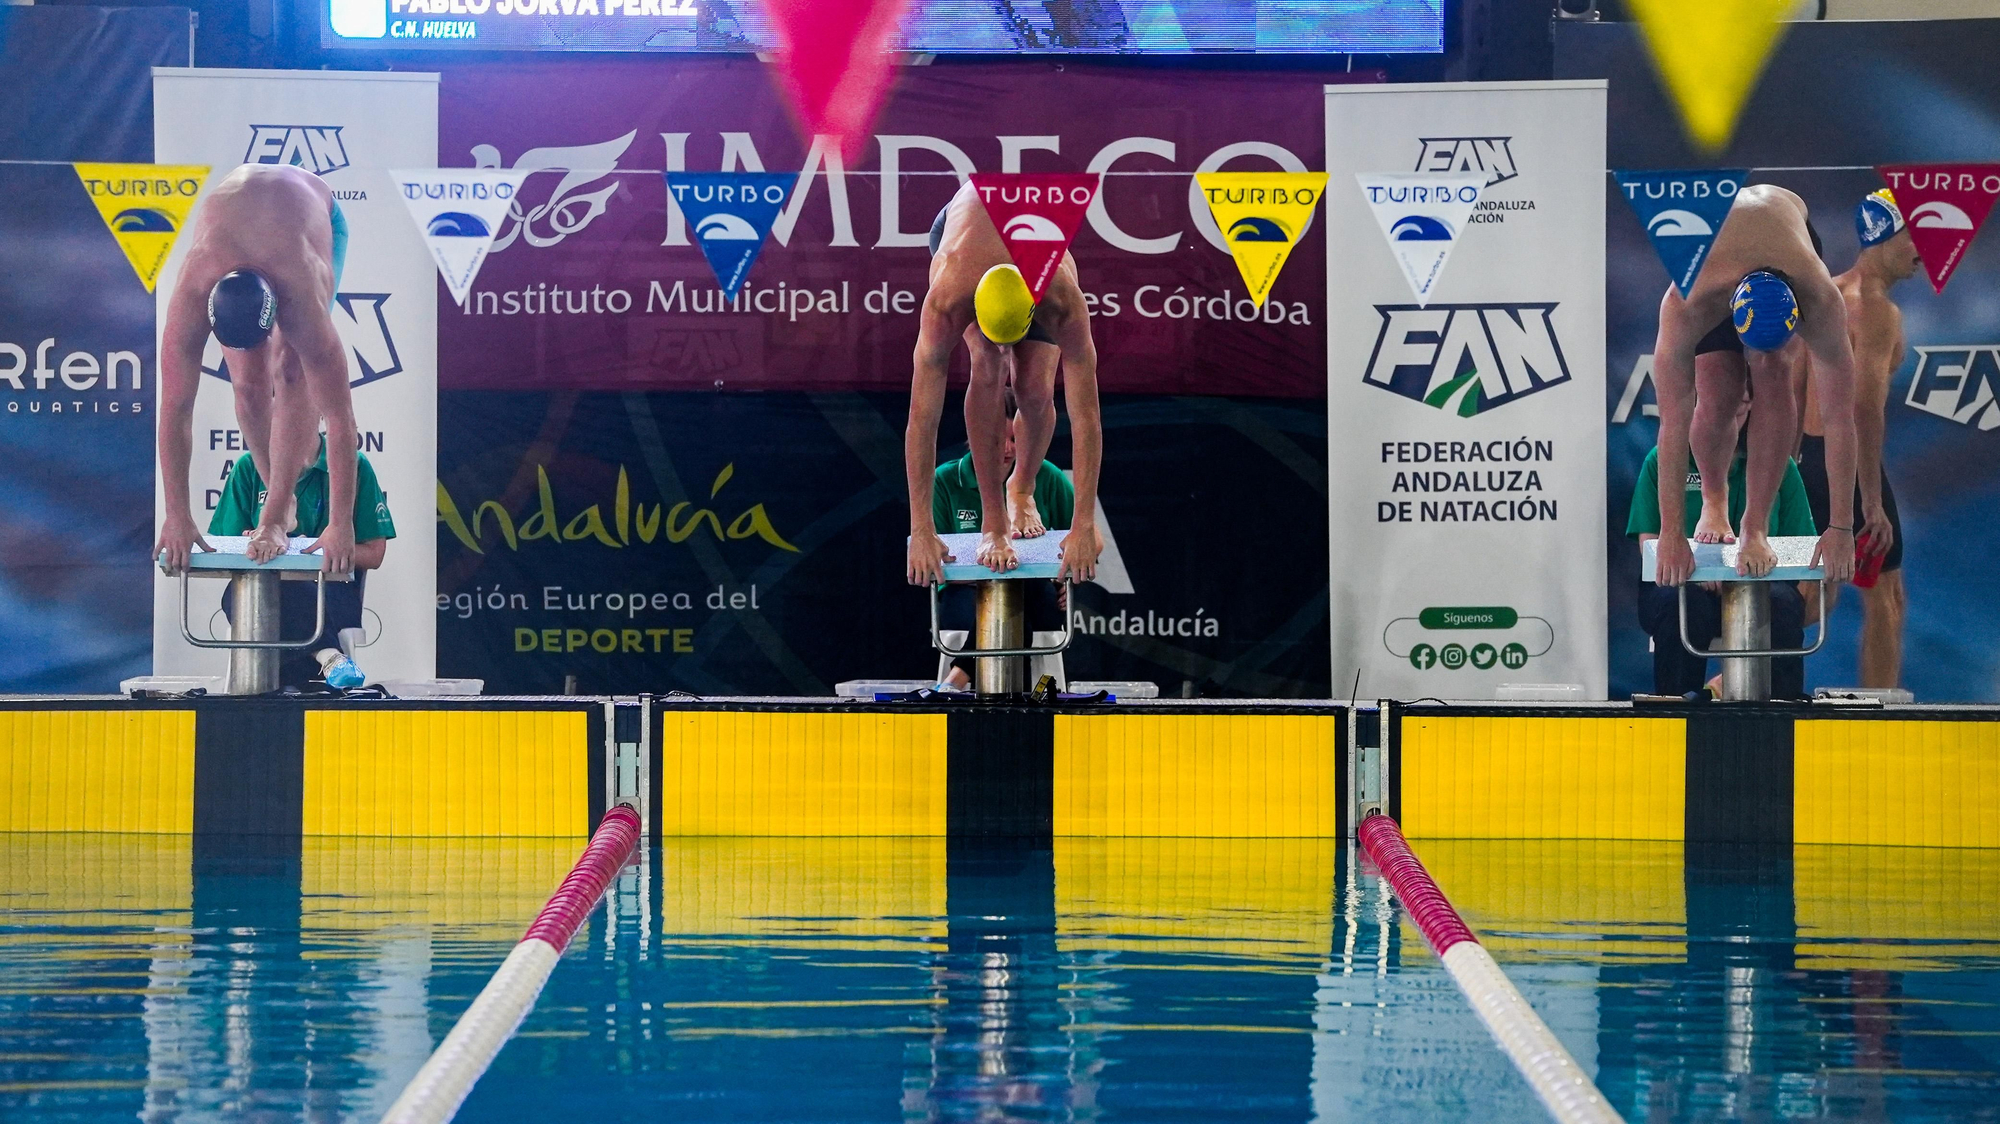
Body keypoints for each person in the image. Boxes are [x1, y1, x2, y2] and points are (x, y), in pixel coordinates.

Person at [155, 163, 360, 577]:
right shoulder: (194, 289)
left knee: (291, 370)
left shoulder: (301, 291)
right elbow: (176, 410)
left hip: (312, 218)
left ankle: (274, 516)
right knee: (247, 384)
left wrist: (341, 523)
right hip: (240, 235)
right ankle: (279, 502)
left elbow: (339, 420)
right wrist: (177, 514)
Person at [1651, 184, 1858, 588]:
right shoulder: (1686, 301)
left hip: (1788, 225)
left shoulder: (1821, 299)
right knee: (1717, 388)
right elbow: (1672, 424)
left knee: (1775, 369)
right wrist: (1671, 533)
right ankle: (1714, 499)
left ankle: (1755, 526)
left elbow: (1839, 421)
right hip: (1710, 240)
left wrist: (1842, 528)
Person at [904, 179, 1103, 588]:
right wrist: (922, 530)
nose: (1009, 347)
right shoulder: (947, 298)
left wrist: (1085, 523)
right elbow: (922, 421)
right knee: (987, 367)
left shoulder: (1063, 299)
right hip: (959, 229)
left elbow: (1087, 418)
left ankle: (1023, 489)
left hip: (1034, 240)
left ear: (1035, 311)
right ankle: (994, 519)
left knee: (1034, 389)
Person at [1797, 189, 1920, 688]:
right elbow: (1864, 410)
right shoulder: (1876, 308)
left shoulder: (1824, 293)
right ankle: (1879, 716)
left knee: (1809, 599)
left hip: (1807, 458)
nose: (1923, 251)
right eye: (1917, 238)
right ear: (1885, 235)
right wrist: (1871, 501)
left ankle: (1726, 686)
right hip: (1845, 466)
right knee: (1886, 599)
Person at [1629, 386, 1818, 699]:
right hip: (1682, 584)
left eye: (1742, 405)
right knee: (1684, 606)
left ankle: (1783, 711)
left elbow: (1800, 547)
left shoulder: (1778, 466)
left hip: (1759, 585)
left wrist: (1741, 576)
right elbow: (1650, 545)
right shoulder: (1664, 460)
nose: (1732, 414)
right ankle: (1675, 710)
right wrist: (1700, 570)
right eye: (1723, 403)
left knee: (1782, 605)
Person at [209, 433, 395, 686]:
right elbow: (227, 549)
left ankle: (287, 680)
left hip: (331, 590)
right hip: (261, 591)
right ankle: (327, 655)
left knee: (277, 590)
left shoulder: (352, 463)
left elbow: (374, 554)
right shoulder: (248, 466)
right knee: (242, 594)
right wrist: (253, 543)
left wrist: (303, 547)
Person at [932, 394, 1075, 689]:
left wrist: (1065, 577)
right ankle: (1018, 699)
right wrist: (994, 572)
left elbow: (1088, 540)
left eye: (1015, 439)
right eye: (998, 439)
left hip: (1035, 592)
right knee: (1013, 599)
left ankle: (957, 679)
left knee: (1029, 593)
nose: (1008, 449)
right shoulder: (946, 480)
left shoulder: (1047, 476)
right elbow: (935, 557)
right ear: (974, 435)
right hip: (965, 594)